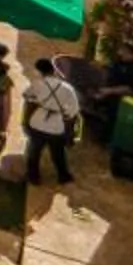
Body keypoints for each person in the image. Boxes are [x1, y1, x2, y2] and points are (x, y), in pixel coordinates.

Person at [22, 55, 82, 186]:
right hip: (57, 126)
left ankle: (33, 177)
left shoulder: (37, 84)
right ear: (54, 70)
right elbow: (73, 110)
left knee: (34, 152)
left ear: (39, 71)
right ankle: (63, 176)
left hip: (37, 123)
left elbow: (27, 96)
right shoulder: (68, 88)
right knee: (58, 153)